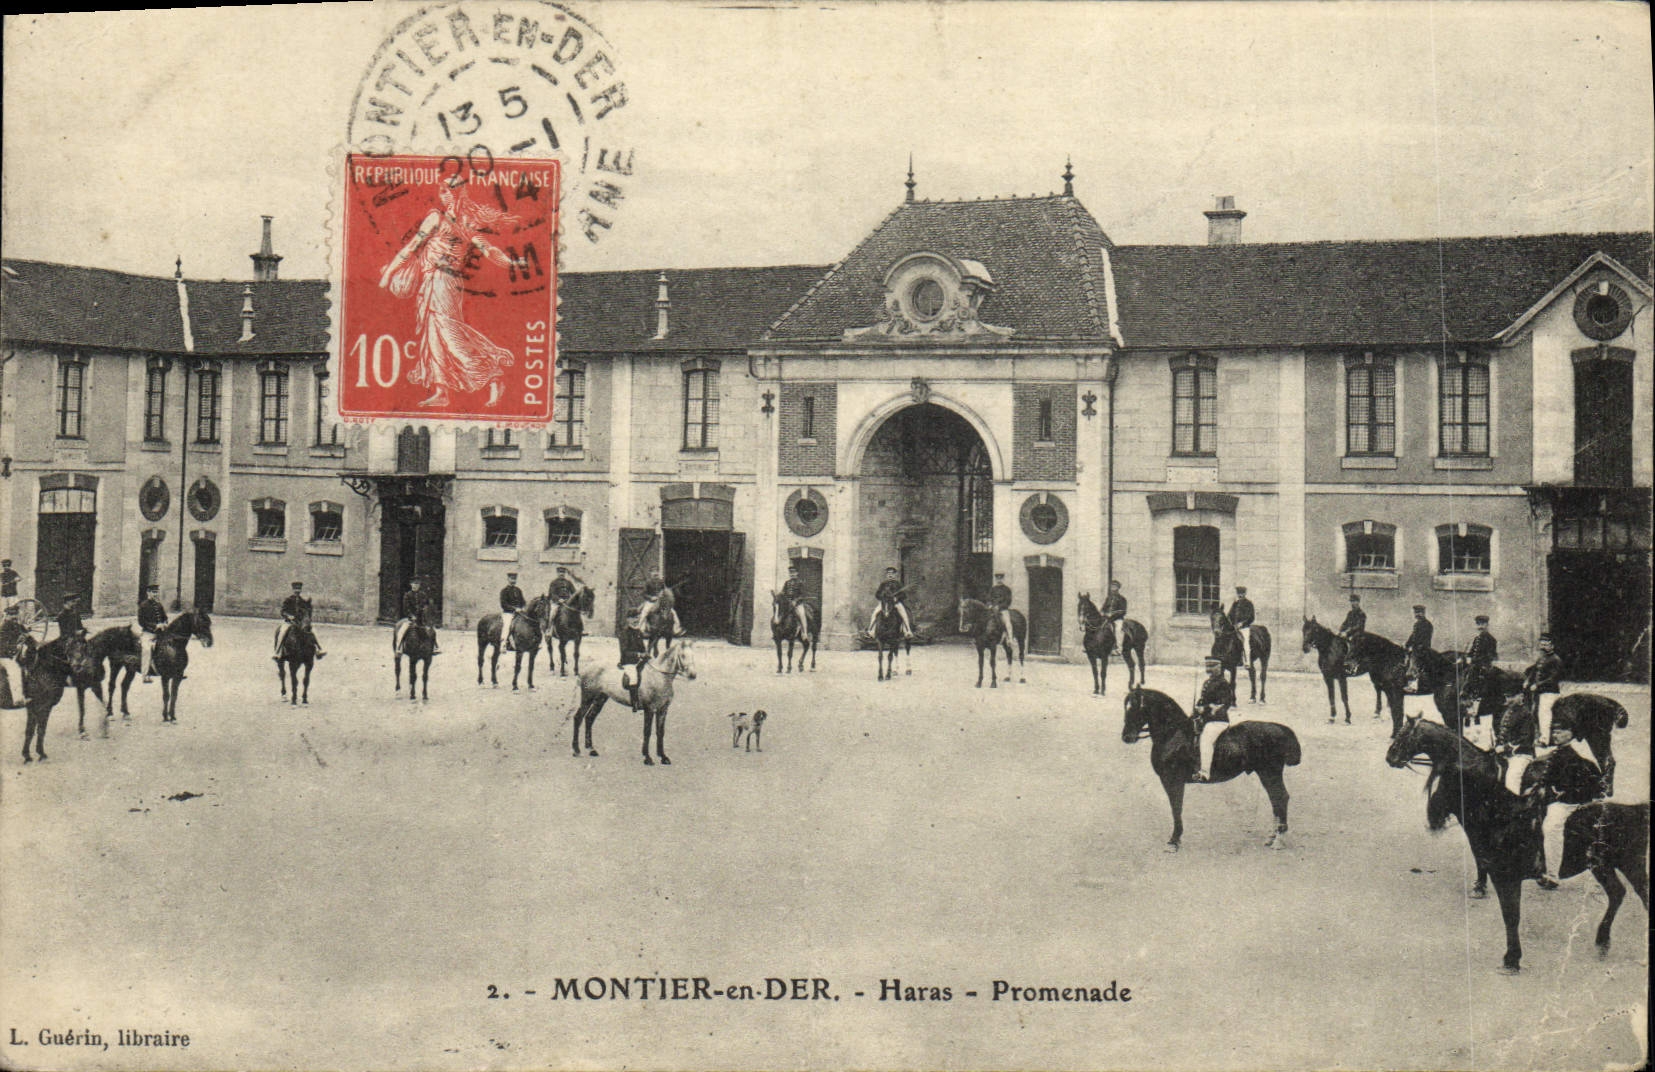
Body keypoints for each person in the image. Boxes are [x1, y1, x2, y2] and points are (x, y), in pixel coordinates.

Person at [377, 169, 519, 408]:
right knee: (432, 335)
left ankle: (493, 376)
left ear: (454, 195)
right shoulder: (438, 219)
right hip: (430, 282)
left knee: (449, 334)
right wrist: (388, 274)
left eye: (445, 192)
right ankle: (442, 390)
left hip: (446, 282)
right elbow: (412, 248)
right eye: (441, 192)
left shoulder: (466, 224)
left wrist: (512, 263)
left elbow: (487, 249)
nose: (442, 197)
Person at [1527, 711, 1604, 891]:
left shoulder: (1579, 754)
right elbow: (1549, 776)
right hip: (1557, 798)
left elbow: (1591, 781)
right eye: (1554, 731)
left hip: (1571, 801)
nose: (1556, 735)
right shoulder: (1559, 752)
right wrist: (1538, 787)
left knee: (1551, 826)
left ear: (1571, 733)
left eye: (1561, 731)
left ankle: (1553, 875)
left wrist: (1561, 793)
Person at [1191, 656, 1236, 782]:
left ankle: (1204, 773)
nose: (1209, 669)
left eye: (1212, 666)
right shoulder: (1207, 682)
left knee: (1205, 740)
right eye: (1207, 666)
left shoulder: (1223, 684)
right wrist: (1198, 707)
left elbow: (1222, 705)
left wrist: (1204, 709)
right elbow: (1203, 700)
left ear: (1219, 667)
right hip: (1206, 719)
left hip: (1218, 720)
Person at [1523, 632, 1564, 744]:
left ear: (1552, 645)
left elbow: (1553, 678)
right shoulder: (1541, 658)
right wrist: (1528, 680)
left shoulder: (1556, 659)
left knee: (1544, 712)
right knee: (1534, 712)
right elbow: (1534, 670)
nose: (1543, 647)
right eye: (1542, 644)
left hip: (1550, 691)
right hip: (1539, 692)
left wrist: (1538, 685)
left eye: (1546, 644)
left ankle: (1545, 739)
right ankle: (1537, 735)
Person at [273, 581, 327, 661]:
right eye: (295, 589)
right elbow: (282, 611)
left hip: (300, 623)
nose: (297, 591)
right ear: (293, 590)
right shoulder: (288, 600)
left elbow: (306, 610)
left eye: (299, 589)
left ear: (300, 590)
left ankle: (319, 649)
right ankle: (277, 652)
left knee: (313, 631)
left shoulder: (302, 601)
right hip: (289, 622)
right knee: (282, 632)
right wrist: (288, 616)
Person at [867, 567, 914, 640]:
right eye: (888, 573)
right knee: (875, 613)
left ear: (895, 575)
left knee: (903, 614)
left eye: (892, 573)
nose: (890, 575)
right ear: (886, 575)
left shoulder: (898, 584)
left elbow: (903, 595)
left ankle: (907, 631)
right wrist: (882, 597)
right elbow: (877, 594)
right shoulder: (883, 584)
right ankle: (871, 631)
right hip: (885, 603)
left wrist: (897, 598)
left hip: (895, 603)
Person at [134, 582, 168, 683]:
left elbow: (165, 617)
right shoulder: (143, 605)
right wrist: (155, 626)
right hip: (148, 633)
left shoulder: (159, 605)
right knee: (147, 650)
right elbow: (141, 622)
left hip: (160, 633)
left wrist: (164, 623)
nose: (155, 594)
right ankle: (145, 675)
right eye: (153, 592)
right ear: (148, 593)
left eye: (157, 592)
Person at [394, 579, 439, 654]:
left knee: (432, 631)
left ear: (419, 586)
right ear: (411, 585)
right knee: (402, 630)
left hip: (422, 618)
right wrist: (411, 615)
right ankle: (399, 647)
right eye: (413, 584)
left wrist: (427, 609)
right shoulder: (407, 595)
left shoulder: (423, 595)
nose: (415, 586)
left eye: (417, 584)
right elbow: (406, 608)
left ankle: (435, 647)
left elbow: (427, 604)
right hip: (411, 618)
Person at [635, 573, 683, 640]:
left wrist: (665, 594)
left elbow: (665, 590)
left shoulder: (661, 582)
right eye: (654, 575)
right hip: (651, 601)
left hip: (660, 601)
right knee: (644, 613)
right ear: (651, 576)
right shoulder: (648, 583)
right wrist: (651, 597)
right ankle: (640, 629)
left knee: (673, 613)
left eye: (657, 575)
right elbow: (644, 593)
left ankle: (676, 629)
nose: (656, 577)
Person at [0, 604, 29, 705]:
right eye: (11, 615)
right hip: (4, 656)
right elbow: (2, 644)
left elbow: (26, 634)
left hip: (16, 655)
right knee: (15, 670)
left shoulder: (17, 625)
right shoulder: (3, 627)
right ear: (7, 616)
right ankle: (18, 699)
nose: (14, 617)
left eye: (15, 614)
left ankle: (29, 693)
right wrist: (14, 649)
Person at [778, 563, 812, 638]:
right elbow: (783, 592)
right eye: (790, 573)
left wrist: (795, 601)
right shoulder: (787, 583)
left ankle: (805, 632)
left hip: (798, 604)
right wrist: (780, 594)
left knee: (802, 615)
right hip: (788, 603)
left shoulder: (800, 583)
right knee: (780, 613)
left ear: (797, 573)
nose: (792, 574)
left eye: (793, 572)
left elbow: (802, 595)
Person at [1228, 585, 1255, 665]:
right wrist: (1232, 623)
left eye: (1242, 593)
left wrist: (1242, 624)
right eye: (1238, 593)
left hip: (1244, 628)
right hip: (1234, 627)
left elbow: (1251, 617)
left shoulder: (1249, 604)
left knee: (1245, 642)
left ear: (1245, 593)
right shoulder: (1235, 604)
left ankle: (1247, 662)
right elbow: (1230, 615)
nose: (1240, 595)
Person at [499, 571, 526, 651]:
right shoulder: (504, 591)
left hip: (519, 613)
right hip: (508, 613)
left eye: (514, 579)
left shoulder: (518, 590)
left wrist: (522, 607)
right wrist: (514, 609)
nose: (513, 580)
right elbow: (503, 604)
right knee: (507, 626)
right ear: (508, 579)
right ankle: (503, 644)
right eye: (511, 578)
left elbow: (523, 601)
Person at [1101, 579, 1128, 650]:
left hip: (1117, 619)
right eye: (1111, 586)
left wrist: (1113, 614)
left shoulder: (1122, 599)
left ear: (1118, 588)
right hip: (1107, 618)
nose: (1112, 588)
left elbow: (1123, 611)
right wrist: (1103, 612)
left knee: (1118, 630)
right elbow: (1103, 608)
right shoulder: (1108, 598)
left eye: (1114, 587)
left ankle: (1118, 648)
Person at [988, 572, 1015, 639]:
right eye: (997, 579)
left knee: (1008, 623)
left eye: (1000, 578)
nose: (999, 580)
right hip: (993, 609)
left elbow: (1008, 601)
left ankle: (1010, 639)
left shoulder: (1007, 589)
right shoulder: (993, 589)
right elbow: (989, 598)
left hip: (1003, 610)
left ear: (1003, 579)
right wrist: (990, 605)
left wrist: (999, 607)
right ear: (996, 579)